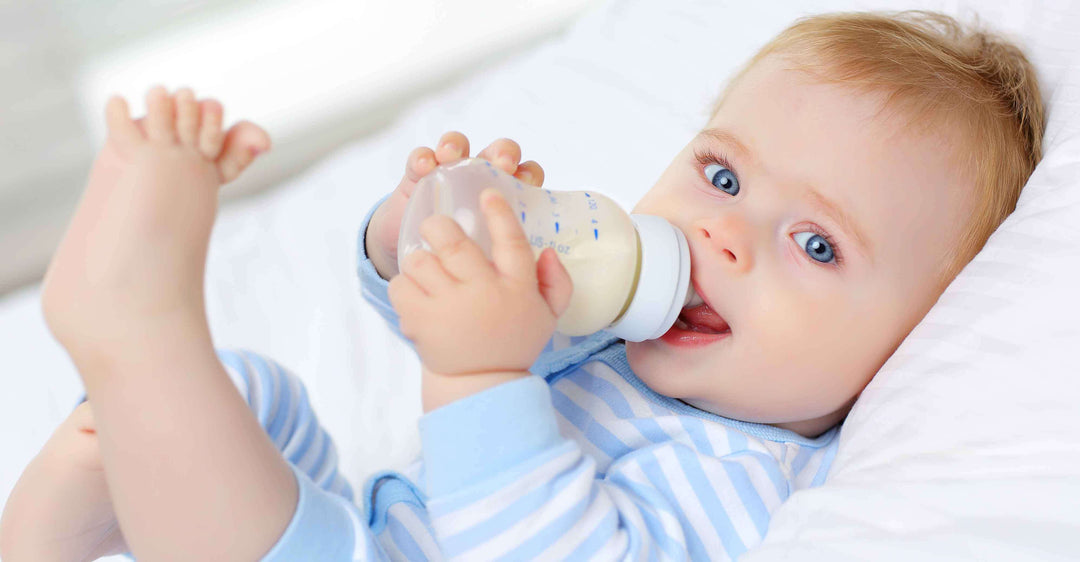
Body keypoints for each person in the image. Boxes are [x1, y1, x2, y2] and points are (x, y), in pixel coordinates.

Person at [0, 10, 1044, 561]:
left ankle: (140, 332)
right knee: (253, 399)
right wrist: (421, 233)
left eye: (815, 245)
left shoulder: (749, 482)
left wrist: (482, 371)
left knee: (240, 488)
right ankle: (64, 530)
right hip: (371, 521)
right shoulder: (614, 337)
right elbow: (417, 312)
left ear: (911, 340)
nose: (723, 231)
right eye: (721, 175)